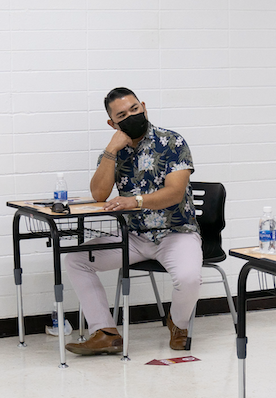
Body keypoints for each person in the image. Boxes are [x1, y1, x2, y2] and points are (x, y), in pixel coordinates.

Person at [64, 88, 202, 354]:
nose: (132, 116)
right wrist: (110, 150)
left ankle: (178, 322)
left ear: (144, 107)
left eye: (135, 109)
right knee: (75, 260)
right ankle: (104, 332)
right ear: (112, 123)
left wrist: (135, 201)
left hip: (176, 233)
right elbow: (99, 194)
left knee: (188, 278)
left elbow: (174, 193)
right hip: (135, 236)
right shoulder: (116, 152)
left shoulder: (171, 141)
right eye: (122, 115)